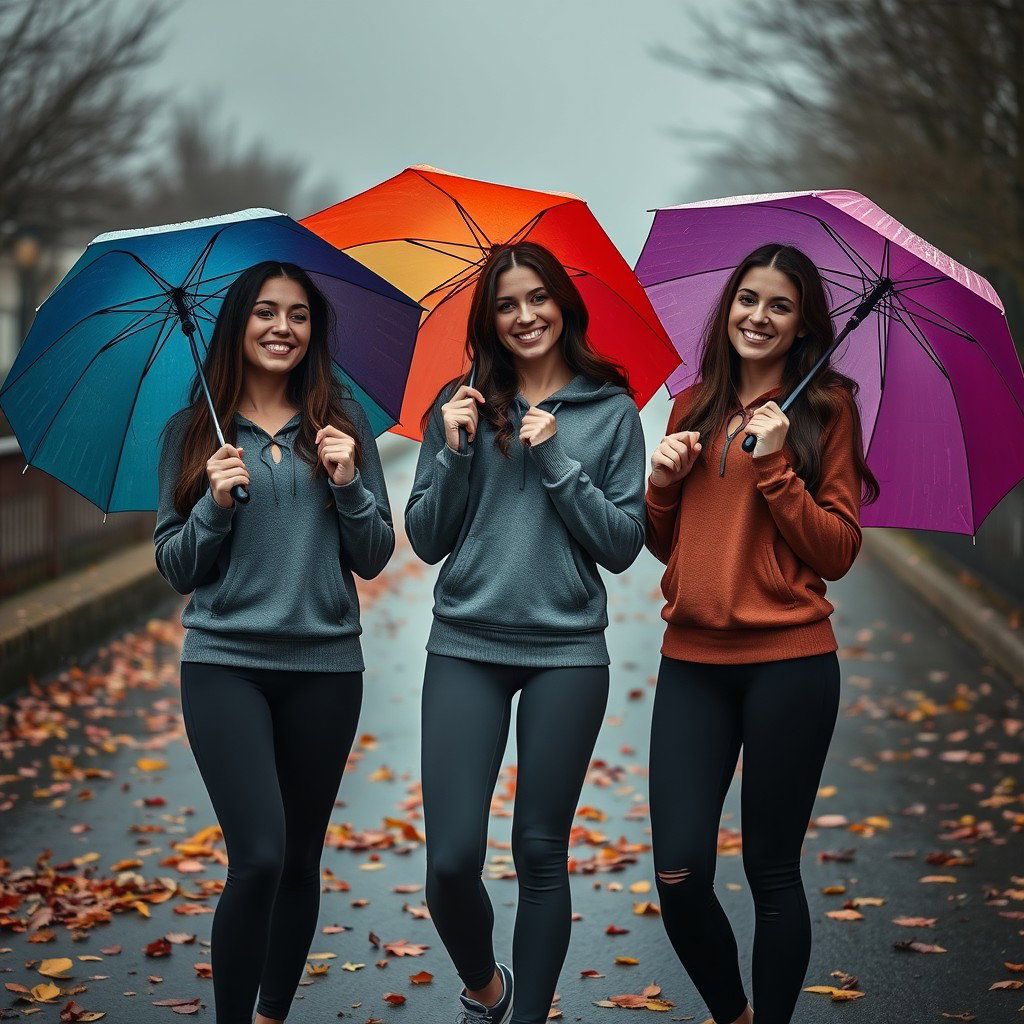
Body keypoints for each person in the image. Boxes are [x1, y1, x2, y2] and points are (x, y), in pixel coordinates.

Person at [405, 242, 646, 1024]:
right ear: (489, 320)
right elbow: (426, 538)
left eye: (536, 297)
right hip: (466, 645)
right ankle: (485, 988)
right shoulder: (459, 401)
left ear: (562, 305)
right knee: (449, 862)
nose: (525, 315)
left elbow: (620, 544)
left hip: (567, 652)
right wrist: (451, 449)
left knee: (540, 851)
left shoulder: (610, 409)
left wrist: (556, 461)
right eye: (506, 304)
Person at [645, 243, 880, 1024]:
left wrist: (779, 470)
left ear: (801, 322)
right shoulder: (692, 405)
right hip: (692, 664)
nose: (759, 316)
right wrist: (661, 487)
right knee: (678, 871)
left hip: (791, 665)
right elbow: (665, 544)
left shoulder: (826, 410)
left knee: (772, 872)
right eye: (749, 298)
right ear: (730, 306)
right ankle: (733, 1015)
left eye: (780, 305)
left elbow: (838, 551)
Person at [154, 261, 394, 1024]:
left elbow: (375, 554)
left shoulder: (342, 423)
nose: (282, 327)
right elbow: (175, 565)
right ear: (238, 325)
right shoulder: (193, 433)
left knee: (297, 861)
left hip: (325, 667)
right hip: (225, 666)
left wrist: (350, 481)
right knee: (257, 855)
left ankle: (272, 1015)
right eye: (265, 312)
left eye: (297, 314)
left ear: (313, 331)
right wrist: (214, 508)